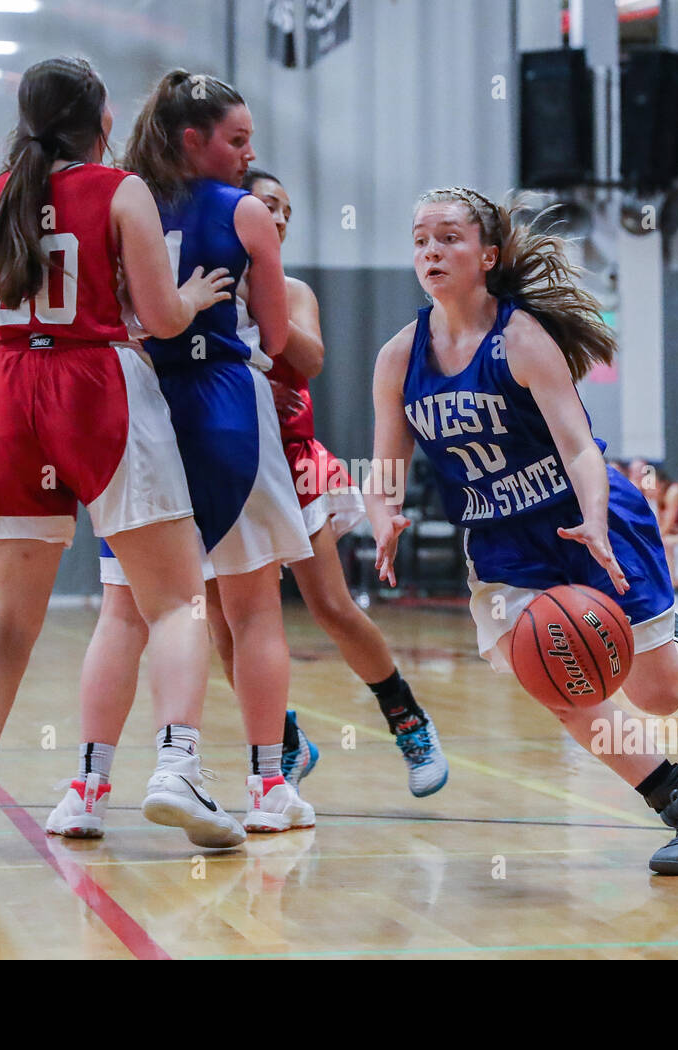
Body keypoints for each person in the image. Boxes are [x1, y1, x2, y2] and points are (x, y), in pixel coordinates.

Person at [366, 186, 678, 875]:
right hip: (505, 548)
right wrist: (382, 512)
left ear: (487, 254)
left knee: (655, 693)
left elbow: (578, 448)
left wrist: (594, 519)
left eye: (447, 238)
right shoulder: (399, 356)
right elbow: (384, 467)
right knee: (562, 686)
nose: (430, 251)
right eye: (420, 239)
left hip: (585, 520)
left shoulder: (522, 339)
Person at [0, 57, 237, 854]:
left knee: (4, 618)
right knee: (174, 601)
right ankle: (177, 768)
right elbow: (164, 318)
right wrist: (194, 300)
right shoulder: (119, 188)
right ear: (102, 122)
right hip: (98, 384)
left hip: (11, 392)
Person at [84, 71, 317, 834]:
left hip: (144, 405)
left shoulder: (127, 202)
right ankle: (267, 788)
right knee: (252, 608)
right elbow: (279, 342)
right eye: (238, 139)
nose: (250, 155)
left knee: (127, 608)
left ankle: (86, 790)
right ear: (195, 139)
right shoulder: (245, 211)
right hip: (226, 405)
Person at [201, 167, 448, 796]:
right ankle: (285, 742)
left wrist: (258, 328)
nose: (278, 216)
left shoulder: (290, 289)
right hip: (221, 463)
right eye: (266, 205)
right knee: (222, 622)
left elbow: (308, 358)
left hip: (292, 462)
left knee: (331, 606)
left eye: (286, 208)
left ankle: (408, 721)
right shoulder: (205, 286)